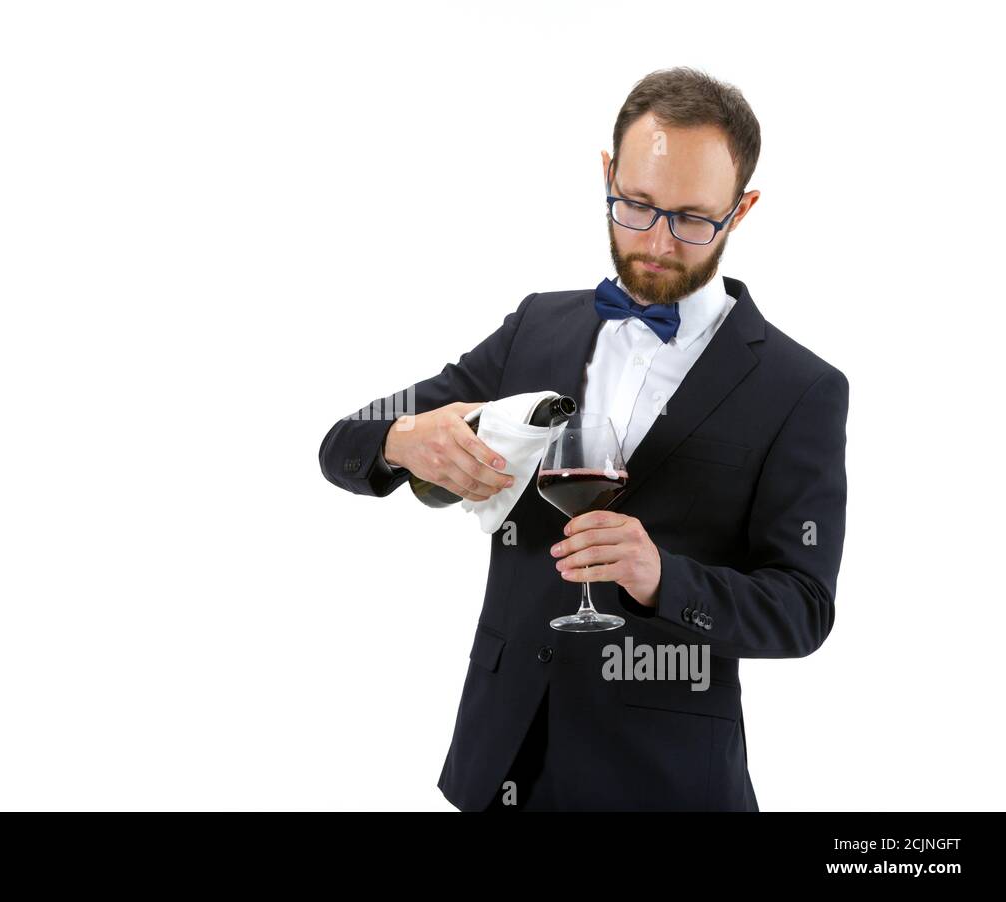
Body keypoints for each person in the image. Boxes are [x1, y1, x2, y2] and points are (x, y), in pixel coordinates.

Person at [317, 66, 848, 811]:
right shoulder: (535, 325)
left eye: (694, 218)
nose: (658, 241)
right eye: (636, 204)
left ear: (743, 208)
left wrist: (662, 576)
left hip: (666, 782)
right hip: (500, 762)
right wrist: (405, 439)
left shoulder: (801, 389)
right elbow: (347, 438)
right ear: (607, 175)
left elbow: (802, 607)